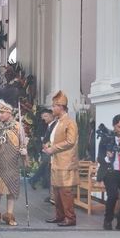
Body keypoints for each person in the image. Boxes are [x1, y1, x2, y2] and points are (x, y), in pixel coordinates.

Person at [43, 91, 79, 227]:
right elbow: (55, 139)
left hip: (66, 162)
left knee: (65, 191)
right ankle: (60, 216)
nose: (52, 109)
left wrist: (53, 148)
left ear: (61, 107)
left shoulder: (70, 122)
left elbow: (70, 141)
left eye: (54, 106)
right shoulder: (57, 122)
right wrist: (48, 145)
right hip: (56, 161)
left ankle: (70, 218)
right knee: (57, 191)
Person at [0, 99, 28, 226]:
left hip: (12, 162)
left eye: (2, 112)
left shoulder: (18, 126)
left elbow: (23, 143)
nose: (0, 115)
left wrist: (24, 151)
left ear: (9, 113)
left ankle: (9, 215)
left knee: (11, 189)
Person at [29, 109, 57, 192]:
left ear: (52, 115)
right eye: (42, 117)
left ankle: (34, 179)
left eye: (45, 116)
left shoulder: (55, 125)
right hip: (46, 150)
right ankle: (50, 192)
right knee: (47, 171)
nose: (44, 118)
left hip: (51, 151)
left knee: (46, 167)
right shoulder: (48, 126)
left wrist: (47, 145)